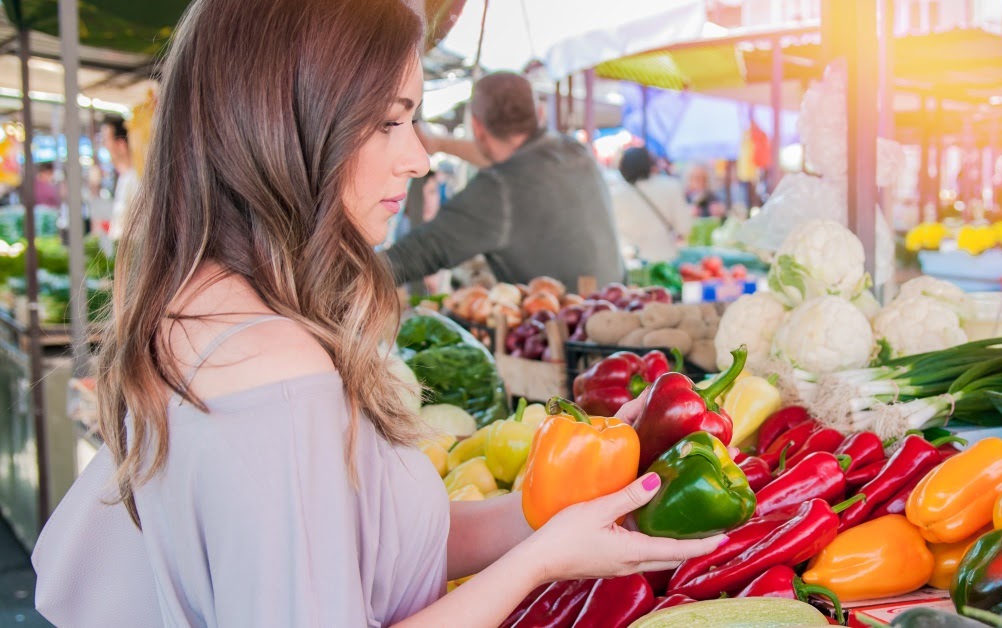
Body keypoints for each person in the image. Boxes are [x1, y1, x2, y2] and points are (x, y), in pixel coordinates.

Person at [30, 1, 721, 626]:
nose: (419, 157)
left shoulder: (198, 312)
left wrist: (560, 504)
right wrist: (537, 564)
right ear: (289, 126)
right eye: (391, 121)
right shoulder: (275, 377)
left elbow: (374, 544)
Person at [387, 72, 624, 293]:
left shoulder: (498, 190)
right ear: (540, 113)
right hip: (620, 312)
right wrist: (436, 143)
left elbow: (414, 256)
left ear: (477, 129)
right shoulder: (576, 152)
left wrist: (351, 277)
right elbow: (508, 157)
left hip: (561, 332)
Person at [610, 147, 692, 263]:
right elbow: (684, 228)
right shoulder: (670, 186)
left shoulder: (614, 194)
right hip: (665, 261)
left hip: (630, 262)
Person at [101, 115, 138, 239]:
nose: (104, 146)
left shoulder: (137, 180)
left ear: (121, 144)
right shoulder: (124, 178)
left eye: (106, 140)